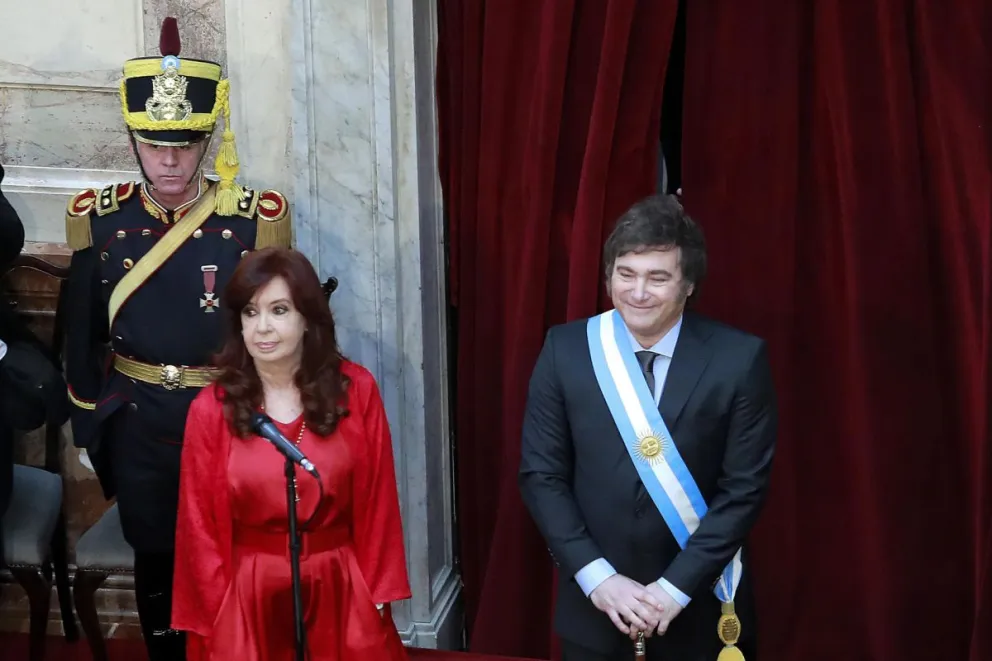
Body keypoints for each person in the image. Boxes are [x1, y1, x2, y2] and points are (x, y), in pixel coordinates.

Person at [62, 17, 292, 661]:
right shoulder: (101, 220)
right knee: (157, 562)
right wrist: (89, 425)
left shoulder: (250, 222)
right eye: (155, 144)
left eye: (187, 145)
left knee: (237, 557)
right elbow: (81, 333)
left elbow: (279, 339)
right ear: (133, 141)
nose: (170, 160)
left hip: (228, 419)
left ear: (209, 140)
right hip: (139, 425)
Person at [518, 194, 777, 661]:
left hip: (700, 606)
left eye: (657, 278)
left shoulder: (738, 360)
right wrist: (598, 577)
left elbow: (743, 490)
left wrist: (674, 589)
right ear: (608, 276)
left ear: (688, 284)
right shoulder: (565, 349)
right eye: (626, 274)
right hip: (595, 607)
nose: (638, 293)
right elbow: (542, 475)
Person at [171, 247, 412, 661]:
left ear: (307, 318)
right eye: (250, 313)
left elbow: (378, 502)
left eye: (279, 310)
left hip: (340, 580)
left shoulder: (356, 390)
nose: (262, 327)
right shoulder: (212, 408)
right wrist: (216, 611)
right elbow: (198, 527)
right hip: (247, 589)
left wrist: (375, 591)